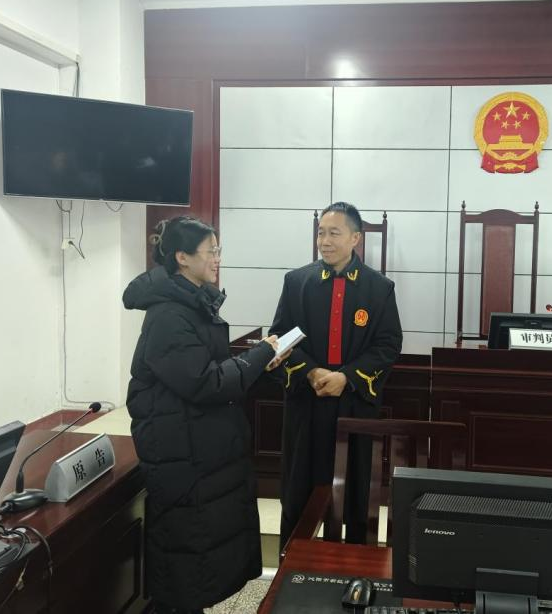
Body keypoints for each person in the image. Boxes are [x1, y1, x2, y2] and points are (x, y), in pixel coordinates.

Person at [124, 215, 281, 614]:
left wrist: (260, 363)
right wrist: (259, 354)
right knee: (184, 564)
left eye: (218, 250)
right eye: (211, 251)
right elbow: (205, 383)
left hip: (197, 448)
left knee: (198, 560)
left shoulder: (192, 303)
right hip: (182, 456)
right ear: (182, 257)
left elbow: (209, 371)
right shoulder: (168, 316)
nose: (217, 259)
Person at [269, 202, 403, 550]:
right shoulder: (296, 282)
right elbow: (281, 337)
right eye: (320, 233)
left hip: (354, 403)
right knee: (298, 493)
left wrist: (347, 377)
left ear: (356, 238)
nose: (324, 241)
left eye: (334, 233)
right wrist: (311, 371)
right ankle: (292, 565)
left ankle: (355, 568)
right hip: (307, 400)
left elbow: (388, 344)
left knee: (356, 494)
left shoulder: (379, 288)